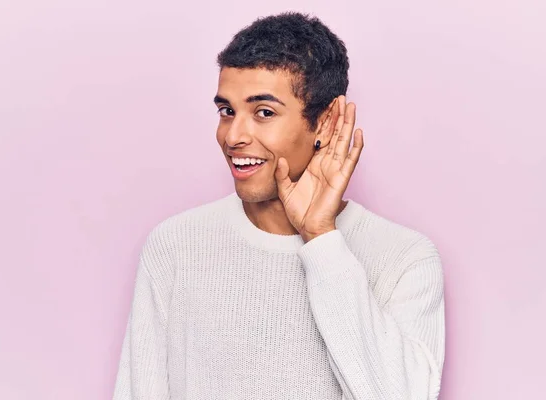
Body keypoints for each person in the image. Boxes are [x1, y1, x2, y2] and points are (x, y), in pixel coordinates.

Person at [112, 11, 445, 400]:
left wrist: (321, 240)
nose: (233, 136)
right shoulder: (175, 245)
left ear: (324, 123)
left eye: (264, 113)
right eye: (227, 111)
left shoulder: (404, 259)